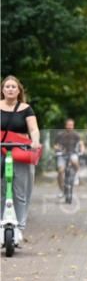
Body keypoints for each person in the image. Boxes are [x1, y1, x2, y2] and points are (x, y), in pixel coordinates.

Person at [0, 75, 41, 245]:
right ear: (2, 90)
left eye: (13, 87)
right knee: (1, 190)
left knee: (20, 191)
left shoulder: (26, 109)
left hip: (19, 151)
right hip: (0, 149)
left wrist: (35, 141)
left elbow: (34, 129)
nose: (10, 89)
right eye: (7, 86)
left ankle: (19, 227)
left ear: (18, 91)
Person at [54, 118, 82, 195]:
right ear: (65, 125)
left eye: (71, 125)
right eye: (68, 125)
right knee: (60, 171)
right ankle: (62, 190)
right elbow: (55, 145)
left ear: (73, 126)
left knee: (75, 162)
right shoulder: (60, 135)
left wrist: (82, 150)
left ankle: (76, 176)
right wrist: (58, 149)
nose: (70, 126)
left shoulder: (76, 135)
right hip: (62, 154)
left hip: (72, 153)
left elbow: (81, 143)